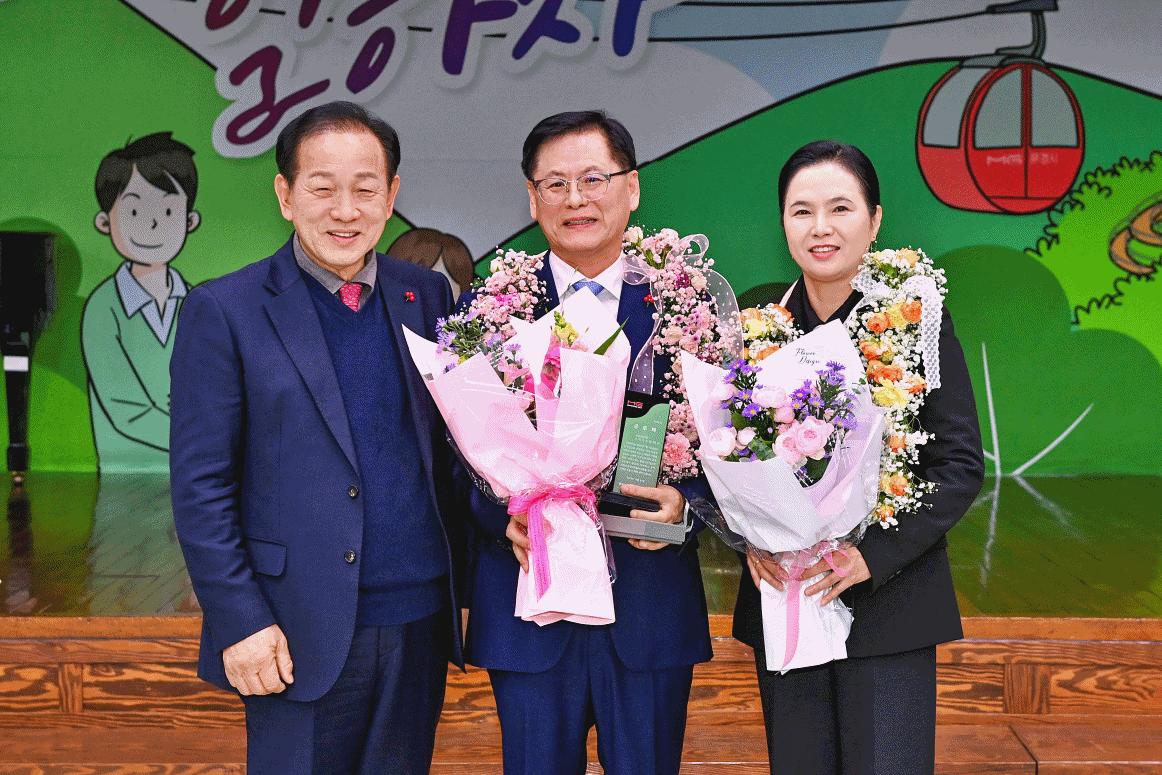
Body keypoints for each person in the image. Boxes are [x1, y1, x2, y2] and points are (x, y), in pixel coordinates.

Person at [169, 101, 464, 775]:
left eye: (365, 188)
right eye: (323, 187)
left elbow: (456, 448)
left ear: (391, 195)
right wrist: (240, 619)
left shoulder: (426, 297)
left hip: (417, 619)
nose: (345, 210)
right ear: (285, 194)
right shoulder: (226, 309)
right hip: (291, 625)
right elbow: (201, 486)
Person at [461, 110, 714, 775]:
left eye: (594, 179)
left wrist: (687, 504)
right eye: (556, 183)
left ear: (632, 187)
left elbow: (735, 440)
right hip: (530, 607)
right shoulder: (490, 307)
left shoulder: (687, 304)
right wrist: (499, 514)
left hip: (649, 605)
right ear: (532, 197)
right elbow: (448, 452)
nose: (576, 198)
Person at [733, 140, 985, 774]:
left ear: (874, 221)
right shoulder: (758, 330)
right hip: (787, 601)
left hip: (889, 607)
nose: (820, 227)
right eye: (802, 211)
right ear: (783, 224)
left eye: (840, 208)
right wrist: (746, 538)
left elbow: (958, 465)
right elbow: (726, 459)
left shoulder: (913, 321)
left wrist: (873, 557)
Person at [85, 132, 200, 471]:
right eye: (134, 210)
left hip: (196, 474)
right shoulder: (103, 308)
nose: (152, 223)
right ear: (105, 222)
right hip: (126, 474)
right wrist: (207, 443)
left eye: (168, 210)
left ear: (189, 221)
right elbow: (126, 410)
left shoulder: (198, 303)